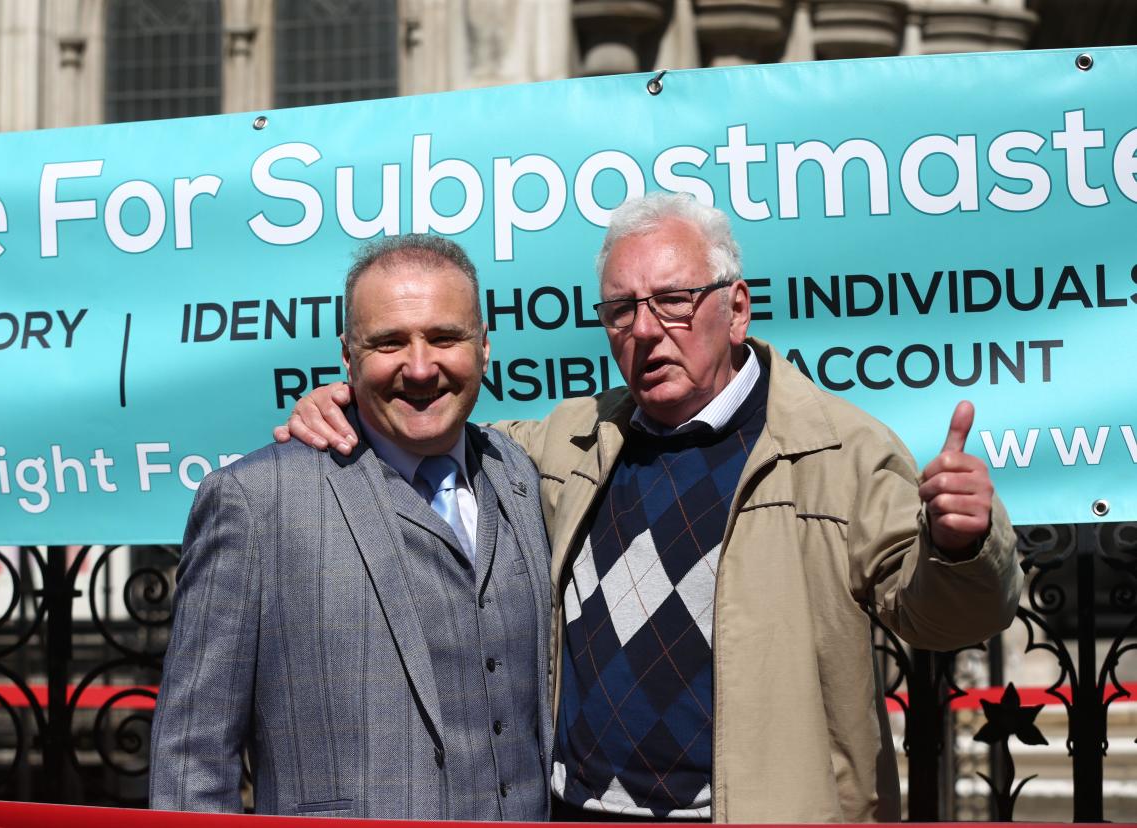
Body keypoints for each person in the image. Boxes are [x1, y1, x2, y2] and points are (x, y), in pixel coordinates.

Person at [276, 193, 1022, 823]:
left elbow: (944, 620)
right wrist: (348, 405)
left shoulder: (840, 452)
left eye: (672, 301)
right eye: (621, 310)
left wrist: (962, 546)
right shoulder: (566, 442)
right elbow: (431, 419)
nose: (643, 330)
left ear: (736, 310)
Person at [150, 235, 554, 819]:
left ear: (485, 345)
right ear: (348, 356)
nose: (420, 367)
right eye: (389, 342)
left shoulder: (520, 472)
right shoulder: (255, 501)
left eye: (445, 338)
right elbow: (193, 758)